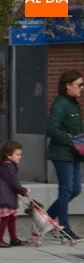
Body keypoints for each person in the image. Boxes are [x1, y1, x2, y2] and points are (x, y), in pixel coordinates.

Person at [46, 70, 83, 240]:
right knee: (66, 189)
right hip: (62, 153)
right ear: (68, 85)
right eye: (79, 85)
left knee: (75, 189)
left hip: (74, 153)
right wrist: (71, 141)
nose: (81, 88)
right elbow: (52, 129)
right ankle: (63, 228)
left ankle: (46, 218)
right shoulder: (60, 104)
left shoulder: (73, 103)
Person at [0, 141, 31, 248]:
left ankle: (13, 239)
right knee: (5, 218)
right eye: (18, 154)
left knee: (11, 218)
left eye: (20, 154)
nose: (20, 157)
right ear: (9, 155)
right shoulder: (8, 167)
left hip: (7, 195)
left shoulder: (6, 165)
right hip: (5, 197)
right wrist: (24, 191)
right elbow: (13, 183)